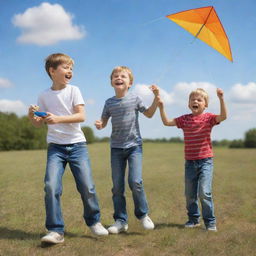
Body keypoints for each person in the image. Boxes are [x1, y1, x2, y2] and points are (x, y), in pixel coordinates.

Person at [28, 53, 108, 244]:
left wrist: (57, 119)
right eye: (66, 67)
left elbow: (81, 116)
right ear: (52, 71)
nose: (70, 71)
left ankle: (94, 221)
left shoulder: (74, 90)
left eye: (71, 68)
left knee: (87, 187)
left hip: (77, 145)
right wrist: (32, 116)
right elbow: (39, 124)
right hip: (55, 147)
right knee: (51, 186)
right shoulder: (43, 95)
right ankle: (56, 230)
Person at [95, 66, 159, 234]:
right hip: (116, 148)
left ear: (130, 82)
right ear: (111, 82)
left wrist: (156, 99)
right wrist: (100, 124)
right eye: (115, 76)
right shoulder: (109, 102)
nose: (119, 77)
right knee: (117, 187)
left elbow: (150, 114)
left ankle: (143, 215)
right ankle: (120, 220)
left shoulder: (135, 99)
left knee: (135, 181)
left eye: (123, 76)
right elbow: (103, 121)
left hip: (134, 146)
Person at [158, 88, 227, 232]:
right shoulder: (185, 119)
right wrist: (161, 107)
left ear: (205, 104)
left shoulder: (209, 118)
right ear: (188, 104)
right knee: (190, 194)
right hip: (190, 162)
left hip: (205, 161)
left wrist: (221, 98)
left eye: (199, 99)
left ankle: (210, 222)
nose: (195, 101)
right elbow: (166, 122)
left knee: (204, 192)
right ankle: (194, 219)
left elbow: (223, 116)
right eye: (192, 99)